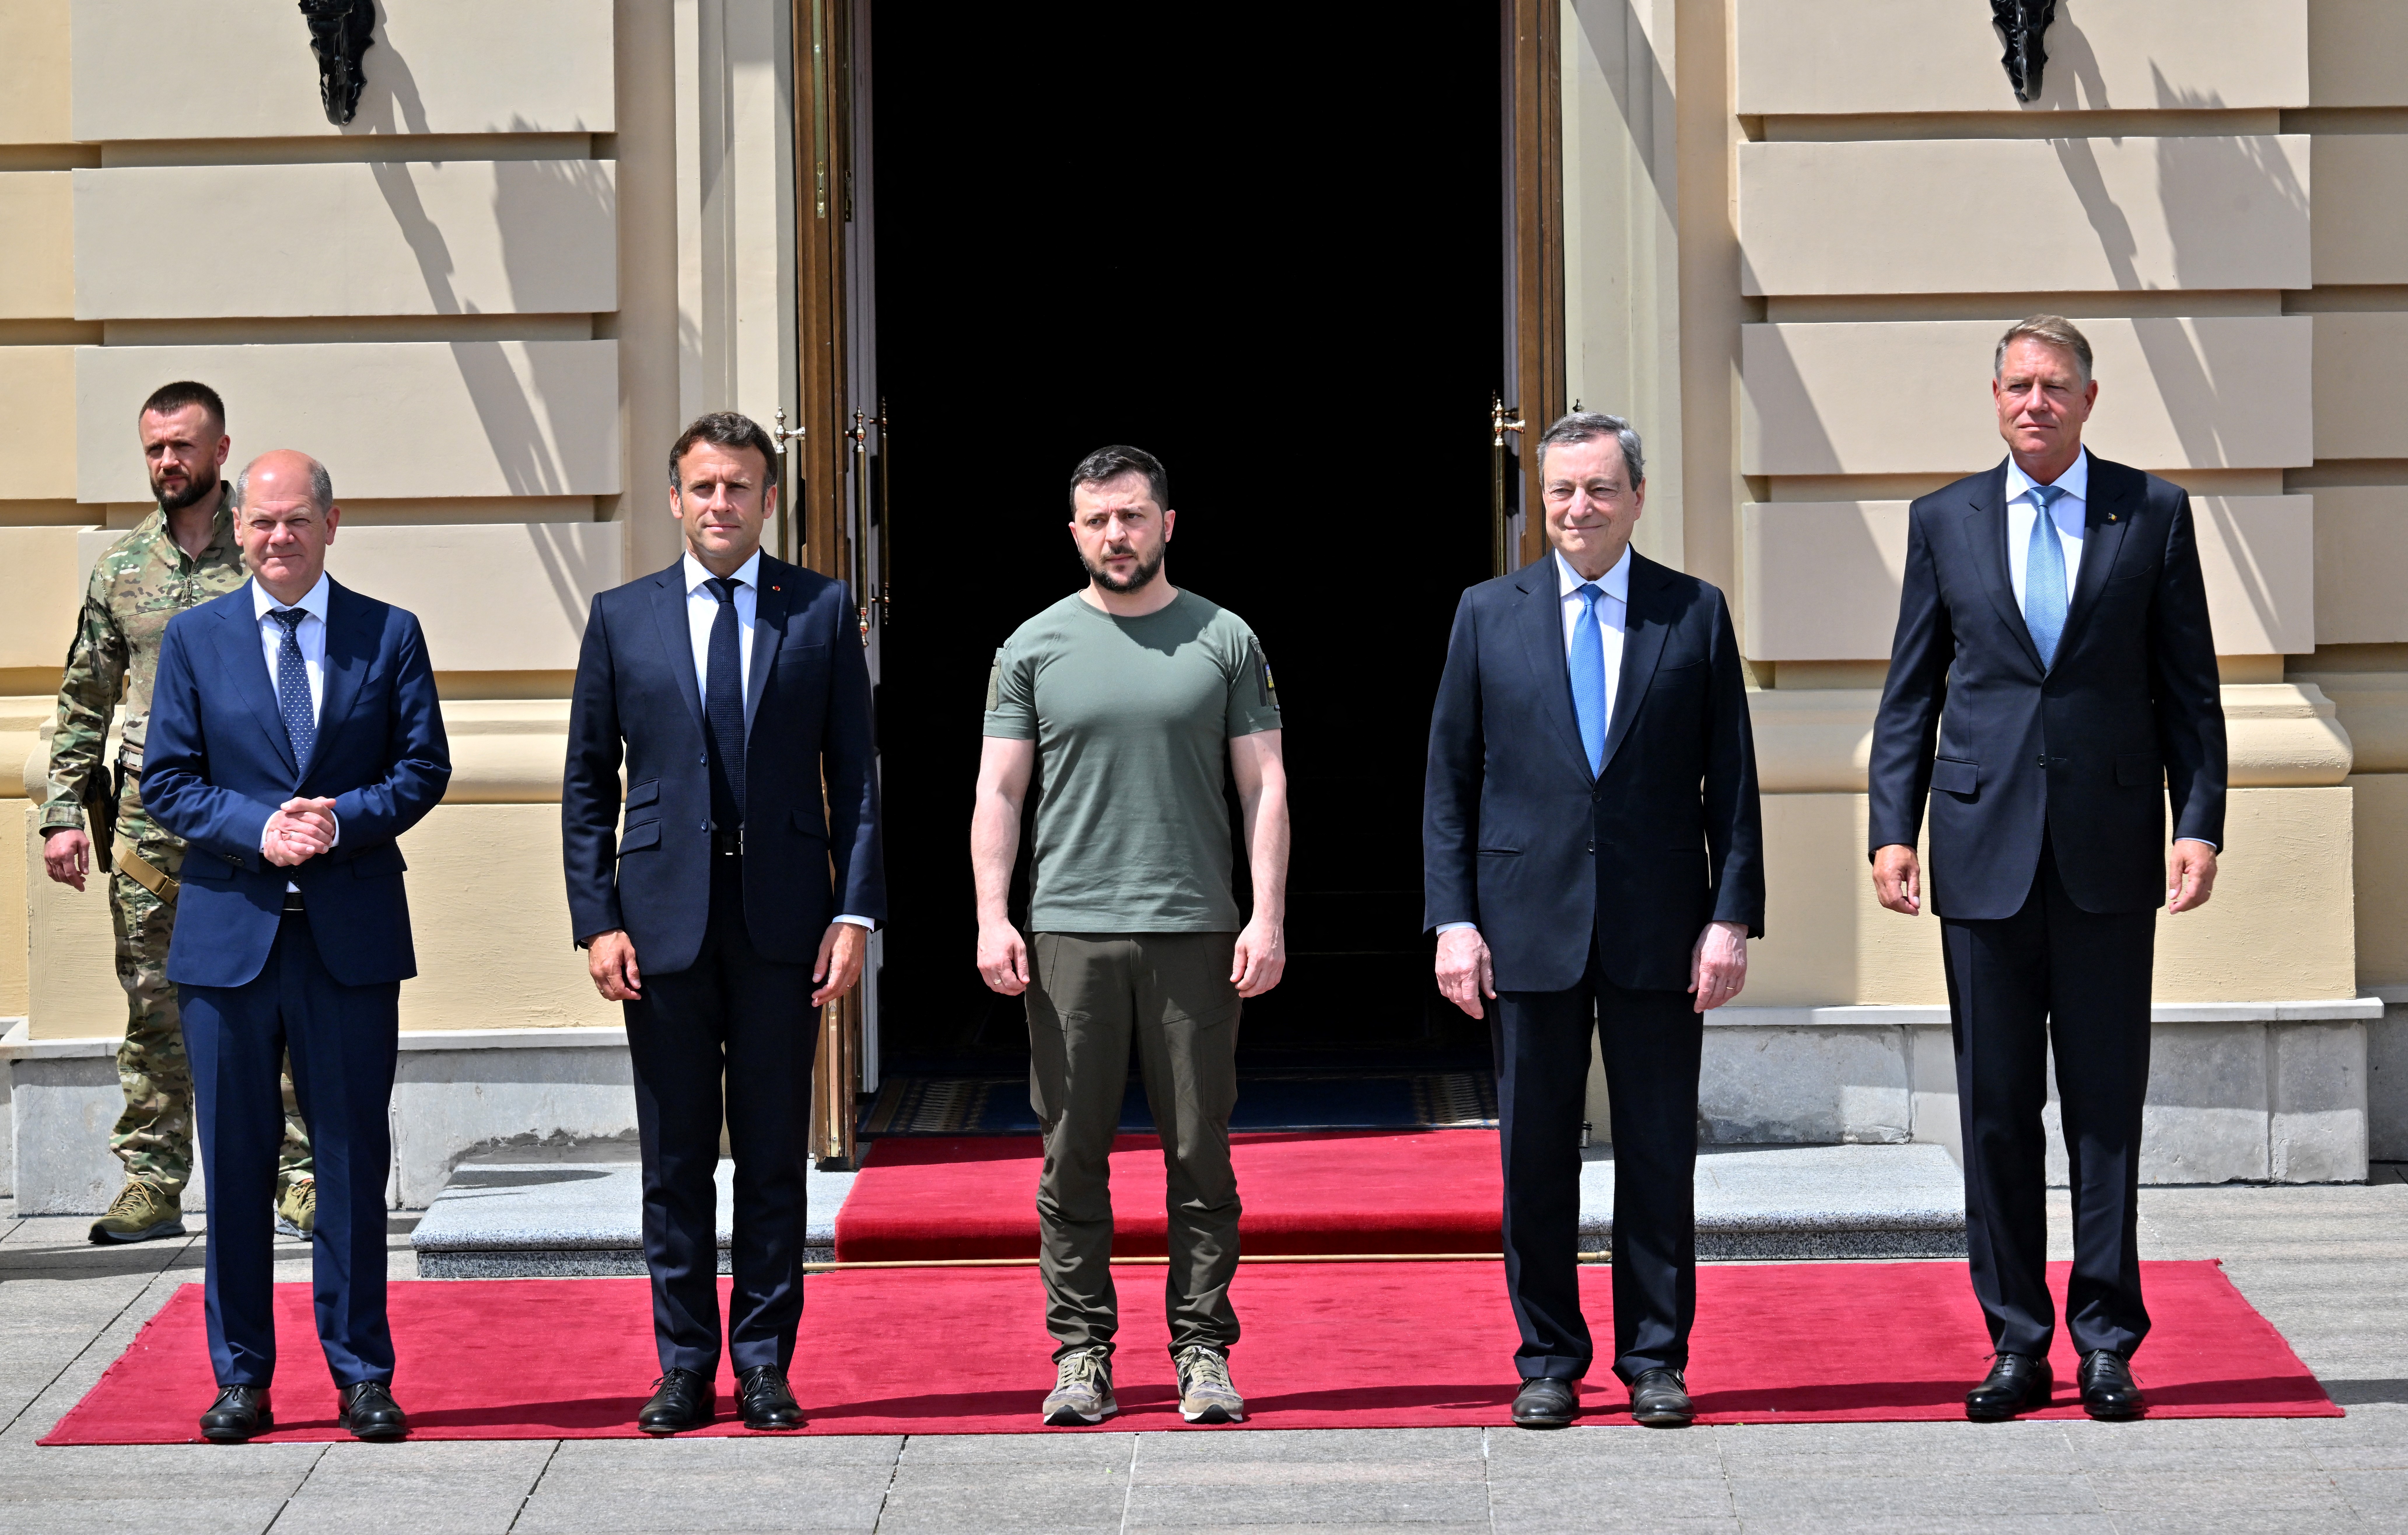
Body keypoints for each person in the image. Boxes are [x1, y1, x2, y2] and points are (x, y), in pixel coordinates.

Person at [1868, 315, 2225, 1423]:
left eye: (2055, 385)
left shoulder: (2152, 514)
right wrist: (1895, 827)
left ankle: (2108, 1341)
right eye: (2019, 385)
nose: (2036, 402)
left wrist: (2200, 822)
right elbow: (1913, 692)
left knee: (2106, 1110)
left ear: (2089, 396)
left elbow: (2190, 691)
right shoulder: (1945, 521)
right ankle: (2017, 1343)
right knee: (1993, 1111)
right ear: (1995, 397)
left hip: (2112, 856)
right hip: (1980, 858)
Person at [1423, 412, 1763, 1430]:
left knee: (1660, 1153)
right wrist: (1454, 921)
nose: (1579, 508)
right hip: (1525, 928)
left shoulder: (1692, 614)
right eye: (1563, 490)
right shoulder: (1488, 613)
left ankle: (1655, 1358)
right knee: (1534, 1159)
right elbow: (1450, 784)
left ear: (1637, 498)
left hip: (1662, 931)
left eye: (1600, 489)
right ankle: (1548, 1360)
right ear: (1542, 499)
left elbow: (1733, 788)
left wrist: (1730, 918)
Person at [563, 412, 884, 1436]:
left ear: (769, 499)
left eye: (739, 487)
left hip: (785, 928)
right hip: (660, 931)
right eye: (703, 487)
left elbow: (862, 782)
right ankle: (682, 1367)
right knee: (673, 1163)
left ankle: (765, 1365)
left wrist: (856, 912)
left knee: (774, 1158)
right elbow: (584, 785)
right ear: (675, 499)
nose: (720, 504)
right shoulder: (623, 617)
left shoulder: (822, 611)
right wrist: (595, 921)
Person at [972, 444, 1288, 1428]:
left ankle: (1202, 1352)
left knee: (1203, 1152)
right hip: (1069, 935)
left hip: (1196, 930)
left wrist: (1267, 915)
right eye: (1100, 519)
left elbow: (1264, 784)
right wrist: (993, 916)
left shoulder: (1225, 638)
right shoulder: (1032, 646)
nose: (1118, 534)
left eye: (1135, 516)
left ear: (1168, 524)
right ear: (1074, 532)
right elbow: (999, 790)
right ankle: (1081, 1355)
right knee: (1073, 1155)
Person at [144, 450, 451, 1443]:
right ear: (239, 529)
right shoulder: (195, 640)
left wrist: (339, 819)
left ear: (331, 524)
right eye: (263, 522)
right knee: (235, 1166)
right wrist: (258, 828)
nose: (279, 537)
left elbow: (423, 767)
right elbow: (169, 781)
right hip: (228, 940)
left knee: (354, 1163)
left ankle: (362, 1373)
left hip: (349, 941)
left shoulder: (387, 634)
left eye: (297, 521)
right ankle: (241, 1377)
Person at [43, 381, 314, 1246]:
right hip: (149, 838)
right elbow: (84, 700)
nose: (169, 463)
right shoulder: (121, 570)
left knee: (276, 1002)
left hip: (254, 825)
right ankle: (153, 1182)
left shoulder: (262, 548)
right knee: (153, 1009)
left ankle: (298, 1177)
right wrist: (59, 811)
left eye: (185, 447)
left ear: (222, 451)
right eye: (156, 448)